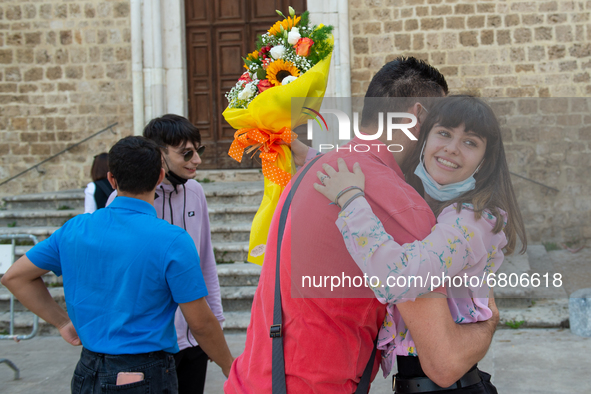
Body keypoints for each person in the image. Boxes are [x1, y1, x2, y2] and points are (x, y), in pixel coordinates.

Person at [225, 58, 500, 393]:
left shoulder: (318, 171)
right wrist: (489, 322)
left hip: (251, 380)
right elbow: (444, 364)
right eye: (441, 125)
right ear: (419, 117)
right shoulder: (402, 204)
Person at [314, 96, 527, 393]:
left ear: (484, 161)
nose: (452, 148)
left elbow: (400, 278)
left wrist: (351, 200)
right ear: (423, 140)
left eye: (470, 142)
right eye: (444, 133)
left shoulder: (473, 221)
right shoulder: (422, 203)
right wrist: (315, 160)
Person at [1, 136, 234, 393]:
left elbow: (15, 277)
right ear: (159, 177)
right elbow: (200, 322)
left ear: (112, 179)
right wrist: (229, 366)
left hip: (89, 368)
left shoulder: (76, 228)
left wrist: (62, 322)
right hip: (145, 370)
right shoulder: (172, 240)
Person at [106, 115, 223, 394]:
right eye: (186, 153)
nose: (197, 160)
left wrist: (215, 322)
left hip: (194, 338)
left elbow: (205, 261)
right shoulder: (124, 199)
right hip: (151, 345)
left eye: (199, 151)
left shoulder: (196, 192)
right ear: (159, 154)